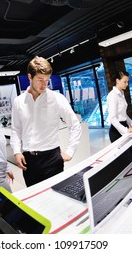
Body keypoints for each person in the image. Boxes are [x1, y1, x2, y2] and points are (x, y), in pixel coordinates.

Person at [10, 56, 82, 187]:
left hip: (52, 158)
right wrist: (16, 151)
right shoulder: (18, 102)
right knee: (35, 201)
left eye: (47, 80)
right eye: (40, 80)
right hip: (29, 160)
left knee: (56, 198)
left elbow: (75, 125)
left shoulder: (57, 99)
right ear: (30, 77)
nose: (44, 84)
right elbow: (16, 129)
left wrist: (70, 151)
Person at [107, 70, 132, 142]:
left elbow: (123, 114)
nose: (127, 84)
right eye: (125, 81)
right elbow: (112, 118)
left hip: (125, 125)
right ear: (117, 80)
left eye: (127, 81)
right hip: (117, 131)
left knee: (130, 152)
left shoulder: (121, 93)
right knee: (126, 153)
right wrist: (125, 130)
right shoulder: (112, 95)